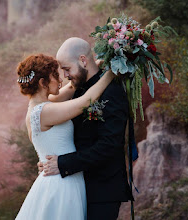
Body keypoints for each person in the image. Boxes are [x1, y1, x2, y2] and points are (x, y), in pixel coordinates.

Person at [39, 37, 135, 220]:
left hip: (102, 190)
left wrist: (62, 163)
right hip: (77, 187)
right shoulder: (79, 89)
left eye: (67, 69)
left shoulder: (112, 91)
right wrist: (49, 162)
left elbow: (109, 145)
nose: (65, 75)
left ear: (83, 60)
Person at [14, 53, 115, 220]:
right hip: (61, 185)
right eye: (55, 75)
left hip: (61, 178)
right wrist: (112, 72)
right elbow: (86, 101)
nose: (61, 80)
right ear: (42, 83)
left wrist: (95, 63)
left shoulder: (40, 106)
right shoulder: (44, 112)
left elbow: (72, 87)